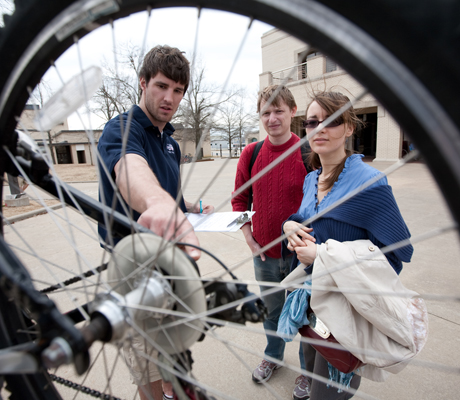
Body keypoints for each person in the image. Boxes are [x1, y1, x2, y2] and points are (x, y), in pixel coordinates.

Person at [97, 45, 213, 400]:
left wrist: (185, 205)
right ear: (143, 82)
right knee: (147, 370)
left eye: (178, 90)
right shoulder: (121, 129)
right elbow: (131, 169)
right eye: (161, 86)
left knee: (176, 358)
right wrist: (159, 203)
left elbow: (168, 190)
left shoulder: (171, 144)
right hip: (132, 267)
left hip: (168, 263)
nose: (169, 98)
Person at [282, 91, 413, 398]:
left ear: (350, 128)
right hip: (313, 304)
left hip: (345, 311)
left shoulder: (369, 182)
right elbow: (306, 217)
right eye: (312, 122)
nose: (319, 129)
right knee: (312, 376)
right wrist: (291, 224)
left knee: (329, 393)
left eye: (330, 121)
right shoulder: (311, 179)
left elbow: (397, 255)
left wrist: (324, 256)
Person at [231, 85, 311, 399]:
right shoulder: (251, 153)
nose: (272, 118)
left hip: (301, 256)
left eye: (279, 110)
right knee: (271, 312)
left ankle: (307, 373)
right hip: (264, 256)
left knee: (306, 316)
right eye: (266, 112)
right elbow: (239, 201)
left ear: (293, 111)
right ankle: (273, 356)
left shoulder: (308, 151)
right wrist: (249, 238)